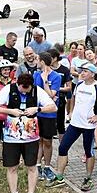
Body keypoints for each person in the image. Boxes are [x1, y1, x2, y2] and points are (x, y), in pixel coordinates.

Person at [0, 73, 56, 193]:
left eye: (27, 90)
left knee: (32, 166)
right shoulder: (9, 89)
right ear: (17, 84)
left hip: (31, 137)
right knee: (12, 167)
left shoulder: (38, 91)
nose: (24, 92)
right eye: (21, 90)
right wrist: (9, 111)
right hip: (11, 137)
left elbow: (53, 107)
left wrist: (37, 109)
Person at [49, 61, 97, 191]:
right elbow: (73, 98)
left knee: (88, 152)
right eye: (81, 70)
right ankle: (59, 176)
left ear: (93, 74)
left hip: (89, 126)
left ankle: (88, 178)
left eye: (85, 71)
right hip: (75, 123)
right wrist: (71, 111)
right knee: (62, 147)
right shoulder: (79, 84)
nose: (82, 73)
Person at [33, 51, 61, 181]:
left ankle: (47, 166)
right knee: (38, 140)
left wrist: (45, 82)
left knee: (48, 141)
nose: (35, 62)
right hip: (38, 112)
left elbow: (51, 95)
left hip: (49, 114)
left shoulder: (56, 76)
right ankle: (38, 165)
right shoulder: (35, 74)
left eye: (37, 60)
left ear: (42, 62)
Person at [51, 49, 72, 139]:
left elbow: (69, 87)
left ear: (55, 58)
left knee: (60, 123)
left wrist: (56, 88)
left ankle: (62, 149)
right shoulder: (47, 69)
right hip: (48, 99)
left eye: (50, 58)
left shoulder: (64, 70)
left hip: (60, 99)